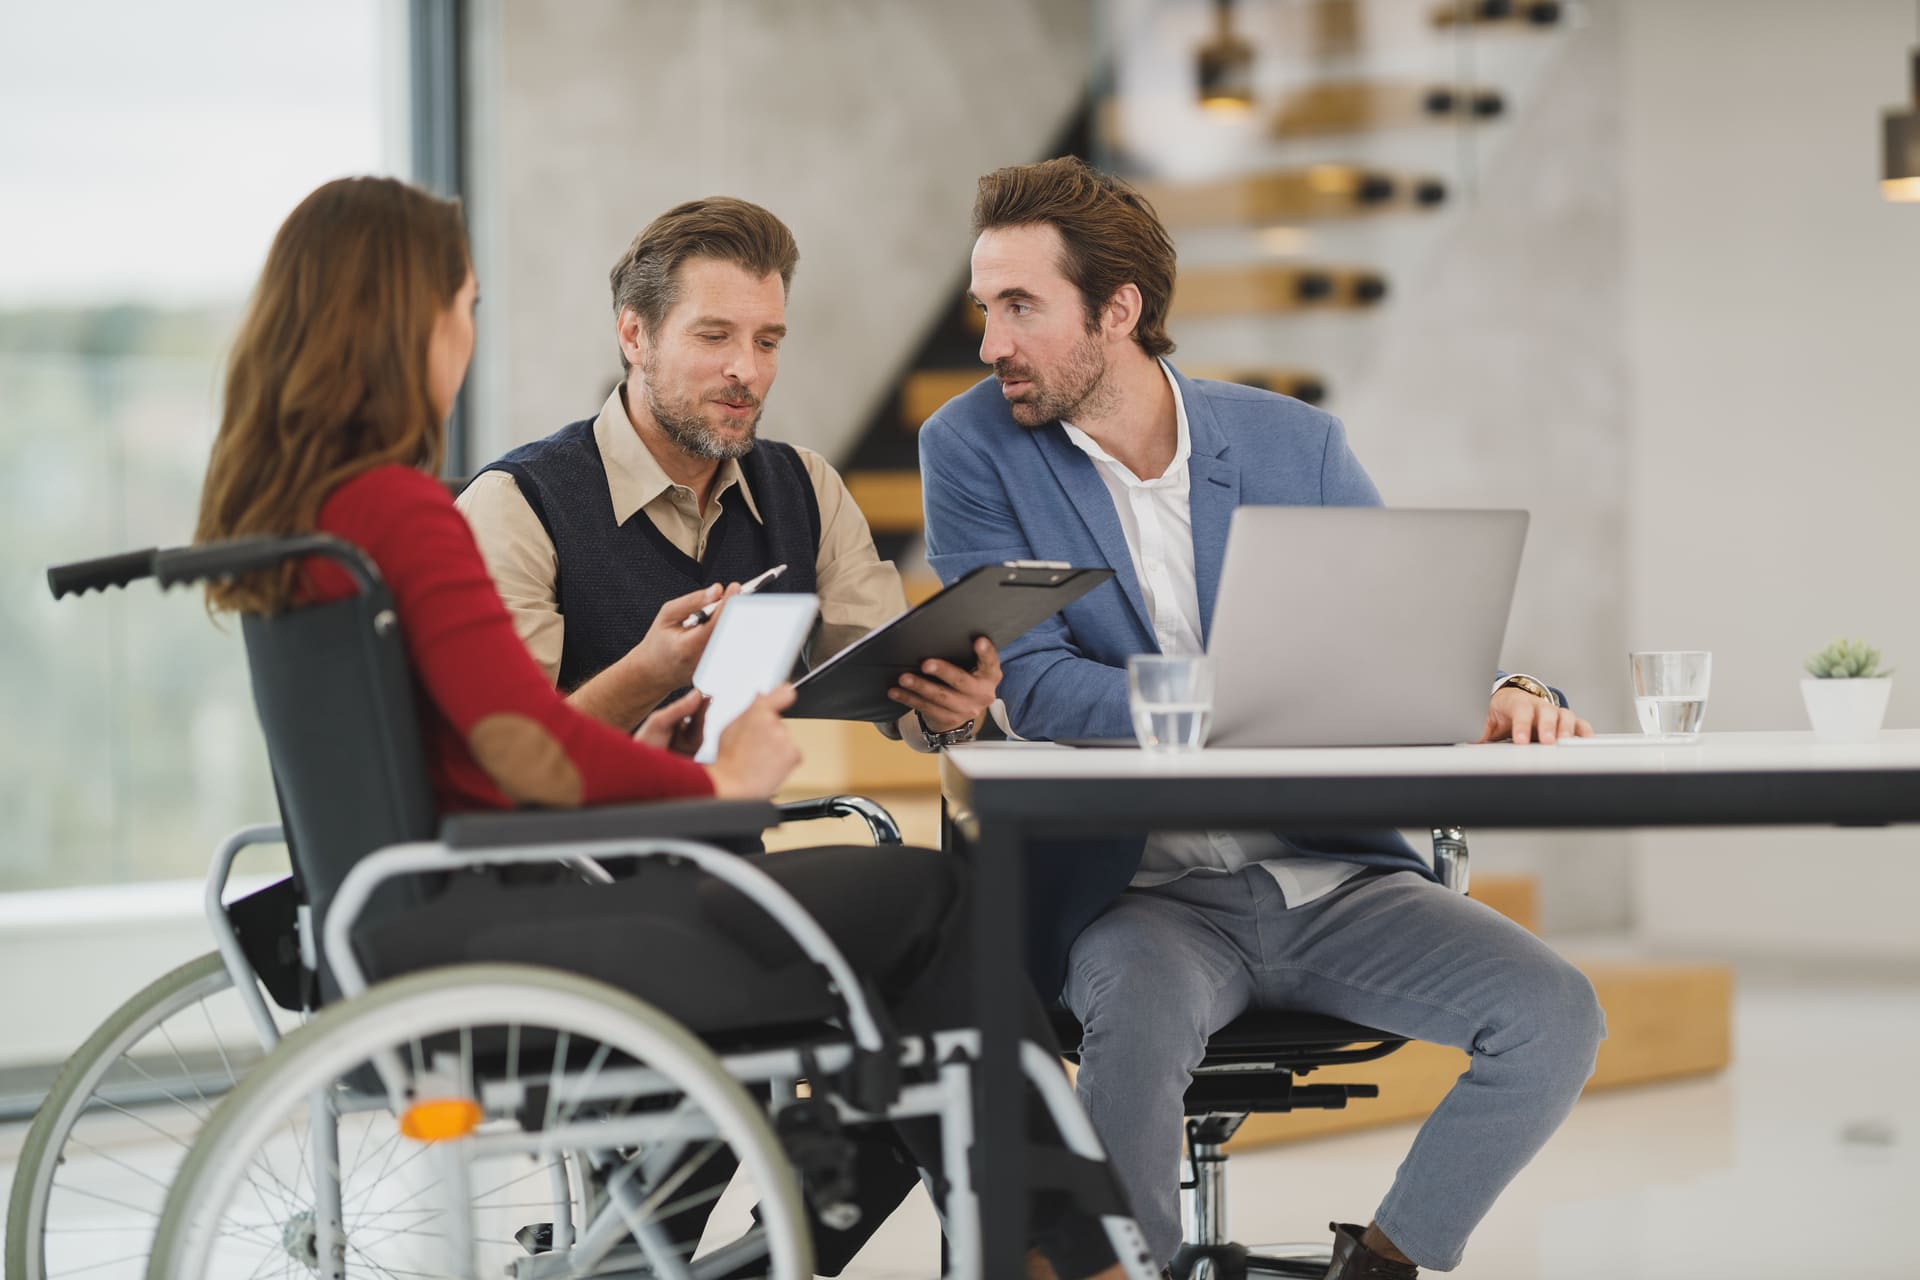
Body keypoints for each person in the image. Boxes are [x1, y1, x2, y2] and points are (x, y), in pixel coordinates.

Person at [191, 175, 1132, 1280]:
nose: (466, 334)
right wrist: (714, 776)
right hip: (554, 907)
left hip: (451, 910)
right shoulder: (438, 508)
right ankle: (1059, 1257)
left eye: (769, 338)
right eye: (463, 306)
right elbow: (518, 749)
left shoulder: (314, 518)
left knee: (932, 960)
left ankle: (993, 1254)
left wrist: (940, 700)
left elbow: (469, 753)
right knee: (943, 902)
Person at [917, 157, 1607, 1279]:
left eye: (1019, 306)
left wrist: (1511, 693)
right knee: (1131, 1042)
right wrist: (1246, 699)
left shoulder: (1293, 444)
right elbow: (1034, 683)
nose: (991, 341)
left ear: (1120, 310)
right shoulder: (971, 445)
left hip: (1331, 875)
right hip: (1143, 896)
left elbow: (1402, 643)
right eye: (984, 307)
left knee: (1556, 1014)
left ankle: (1382, 1260)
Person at [457, 196, 996, 749]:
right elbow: (506, 753)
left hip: (733, 830)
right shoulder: (516, 504)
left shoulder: (806, 488)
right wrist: (647, 674)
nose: (748, 370)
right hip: (573, 835)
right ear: (634, 336)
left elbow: (895, 687)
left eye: (767, 341)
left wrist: (946, 709)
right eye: (714, 337)